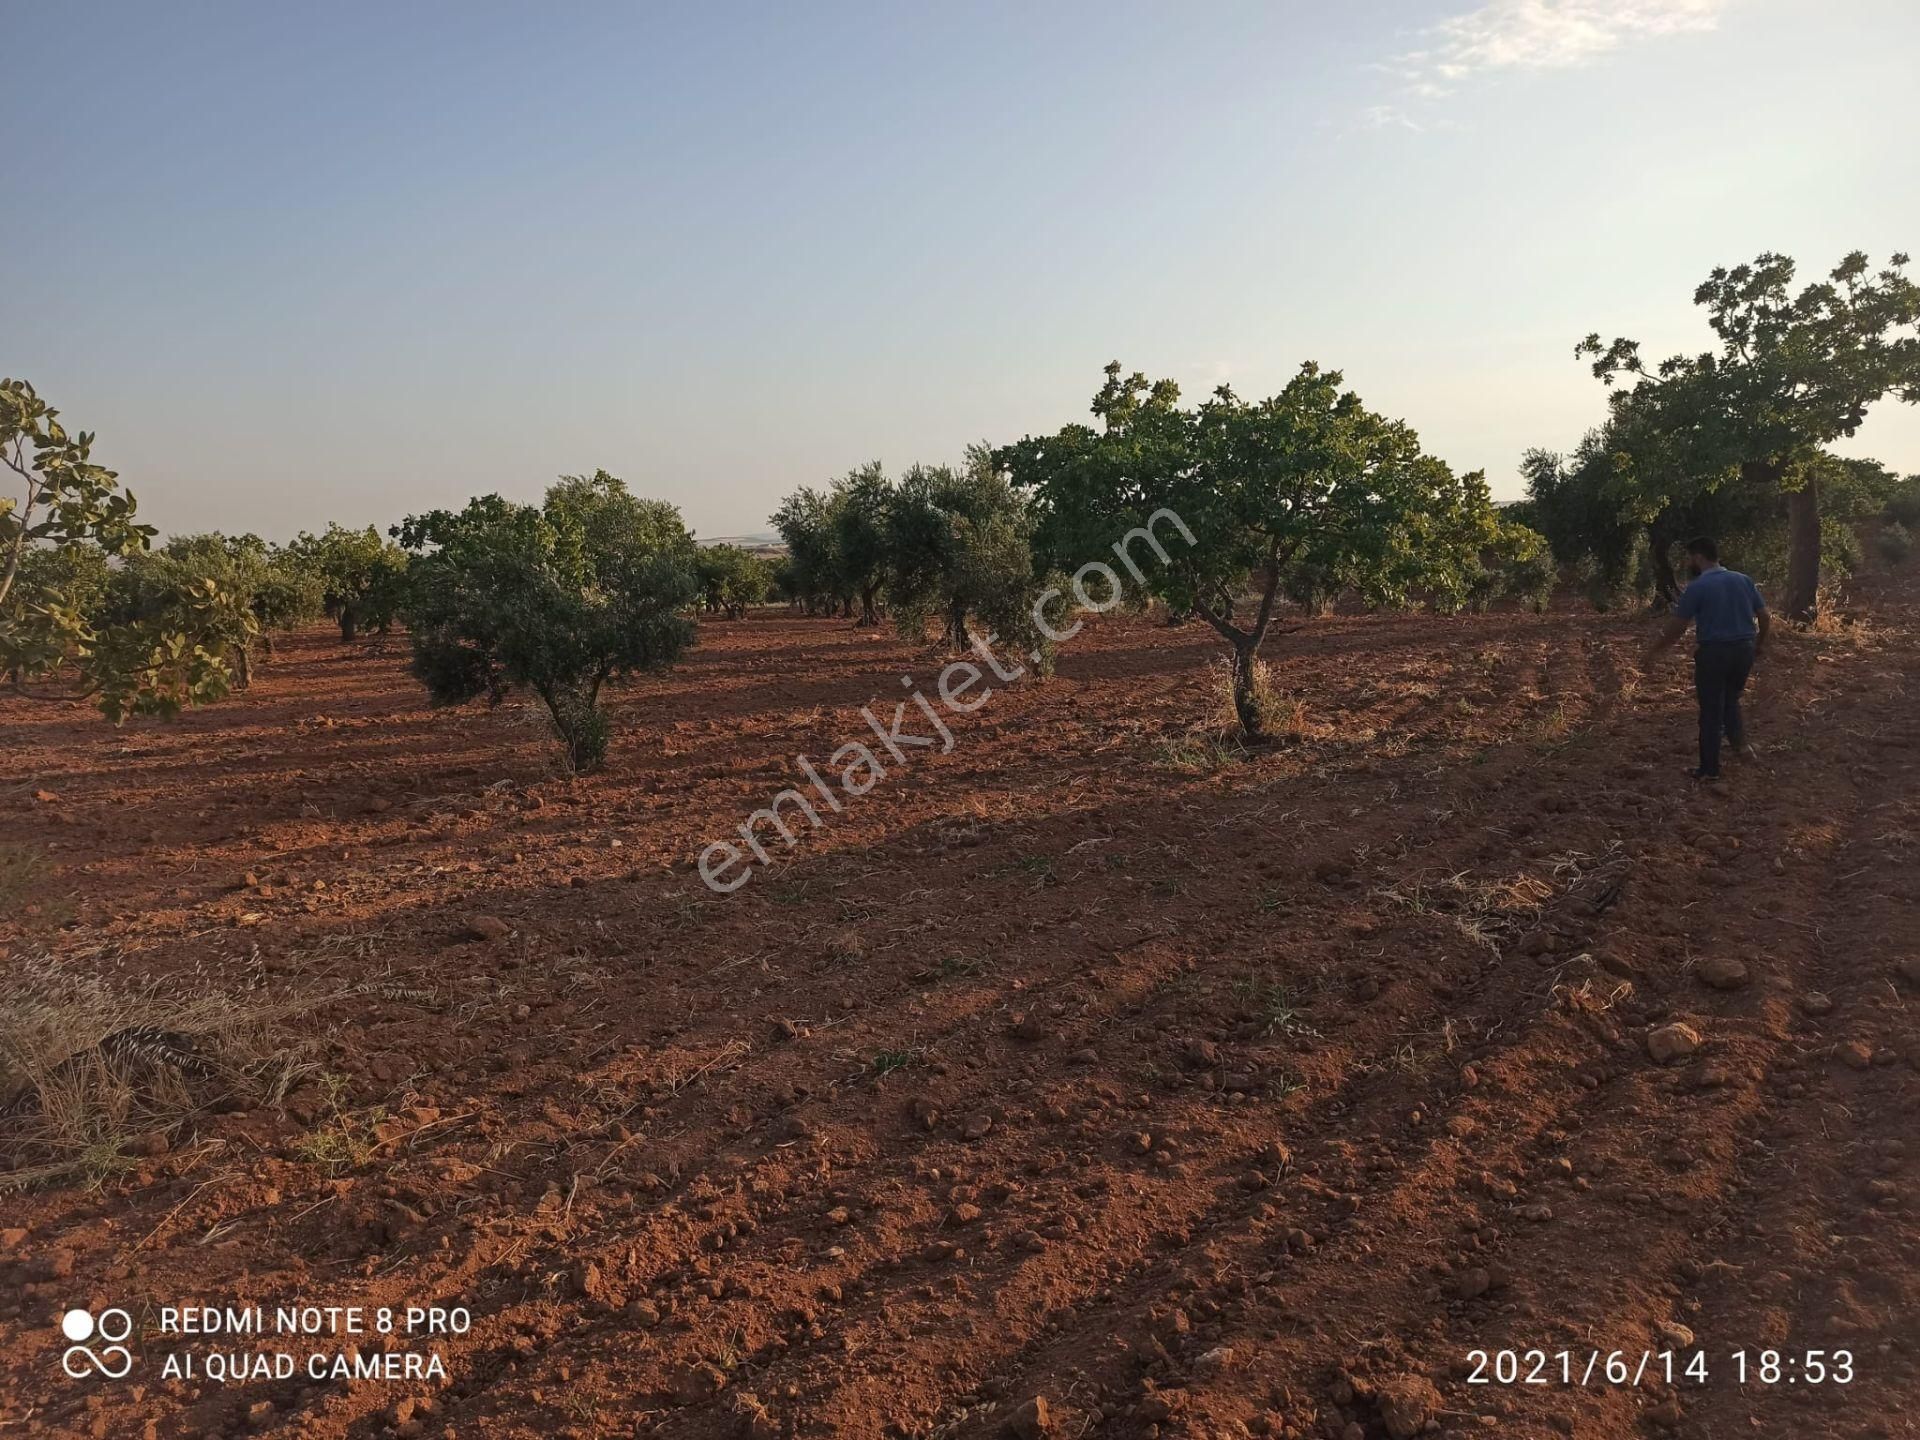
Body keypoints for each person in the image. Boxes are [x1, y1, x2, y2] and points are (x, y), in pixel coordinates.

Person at [1644, 537, 1770, 781]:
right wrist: (1759, 644)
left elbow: (1678, 627)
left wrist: (1655, 651)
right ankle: (1742, 748)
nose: (1687, 562)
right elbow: (1764, 616)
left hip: (1714, 653)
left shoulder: (1698, 587)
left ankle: (1709, 770)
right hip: (1744, 649)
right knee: (1731, 699)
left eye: (1689, 558)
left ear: (1699, 557)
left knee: (1711, 711)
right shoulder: (1743, 580)